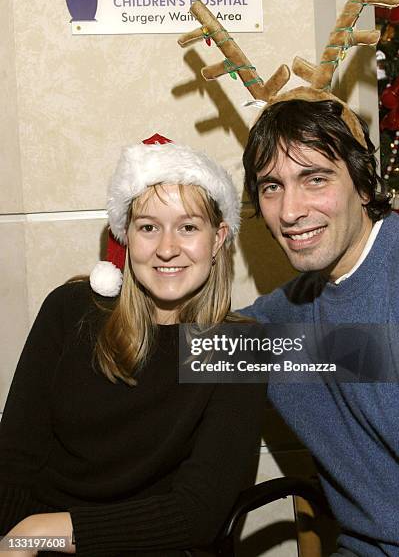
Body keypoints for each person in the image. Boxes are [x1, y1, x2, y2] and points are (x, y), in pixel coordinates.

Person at [0, 134, 266, 557]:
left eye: (188, 227)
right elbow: (15, 459)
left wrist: (39, 532)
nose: (166, 248)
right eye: (148, 227)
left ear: (217, 239)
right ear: (125, 237)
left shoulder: (235, 349)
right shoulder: (69, 311)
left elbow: (198, 513)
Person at [240, 98, 399, 556]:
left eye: (315, 179)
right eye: (271, 187)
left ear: (363, 185)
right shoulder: (287, 314)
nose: (290, 211)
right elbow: (187, 354)